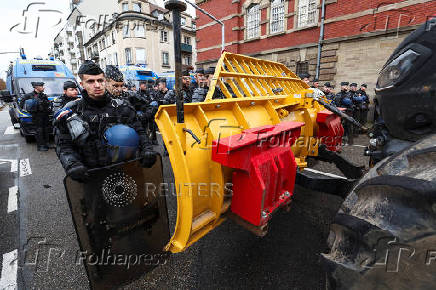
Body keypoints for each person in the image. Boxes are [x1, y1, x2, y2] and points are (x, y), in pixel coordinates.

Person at [54, 60, 156, 182]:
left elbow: (139, 131)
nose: (97, 85)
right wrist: (72, 164)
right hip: (92, 176)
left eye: (100, 80)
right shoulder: (71, 111)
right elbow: (63, 145)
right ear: (82, 84)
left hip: (125, 170)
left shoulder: (123, 106)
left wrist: (147, 149)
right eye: (91, 81)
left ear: (105, 81)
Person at [21, 82, 52, 151]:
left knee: (46, 129)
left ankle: (46, 144)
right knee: (39, 130)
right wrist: (32, 108)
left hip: (45, 115)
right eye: (41, 86)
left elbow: (47, 105)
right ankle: (40, 146)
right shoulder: (28, 96)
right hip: (37, 116)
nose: (43, 87)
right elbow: (22, 106)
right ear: (36, 87)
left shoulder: (43, 95)